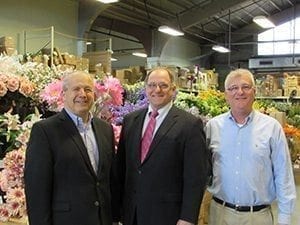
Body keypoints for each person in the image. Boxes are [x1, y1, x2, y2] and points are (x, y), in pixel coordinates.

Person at [117, 67, 209, 225]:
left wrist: (187, 217)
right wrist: (117, 211)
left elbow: (195, 177)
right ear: (145, 88)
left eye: (163, 85)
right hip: (132, 213)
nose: (157, 90)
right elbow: (121, 169)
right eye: (152, 85)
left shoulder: (189, 125)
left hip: (167, 215)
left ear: (173, 89)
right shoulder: (131, 120)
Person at [24, 71, 119, 225]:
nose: (83, 94)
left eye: (88, 90)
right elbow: (37, 189)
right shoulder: (45, 131)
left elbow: (108, 179)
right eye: (76, 89)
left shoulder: (105, 129)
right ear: (64, 94)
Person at [205, 68, 296, 225]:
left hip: (258, 217)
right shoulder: (213, 127)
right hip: (220, 214)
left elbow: (283, 174)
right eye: (233, 88)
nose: (239, 92)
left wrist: (285, 218)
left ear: (254, 92)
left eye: (245, 87)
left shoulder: (271, 127)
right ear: (226, 95)